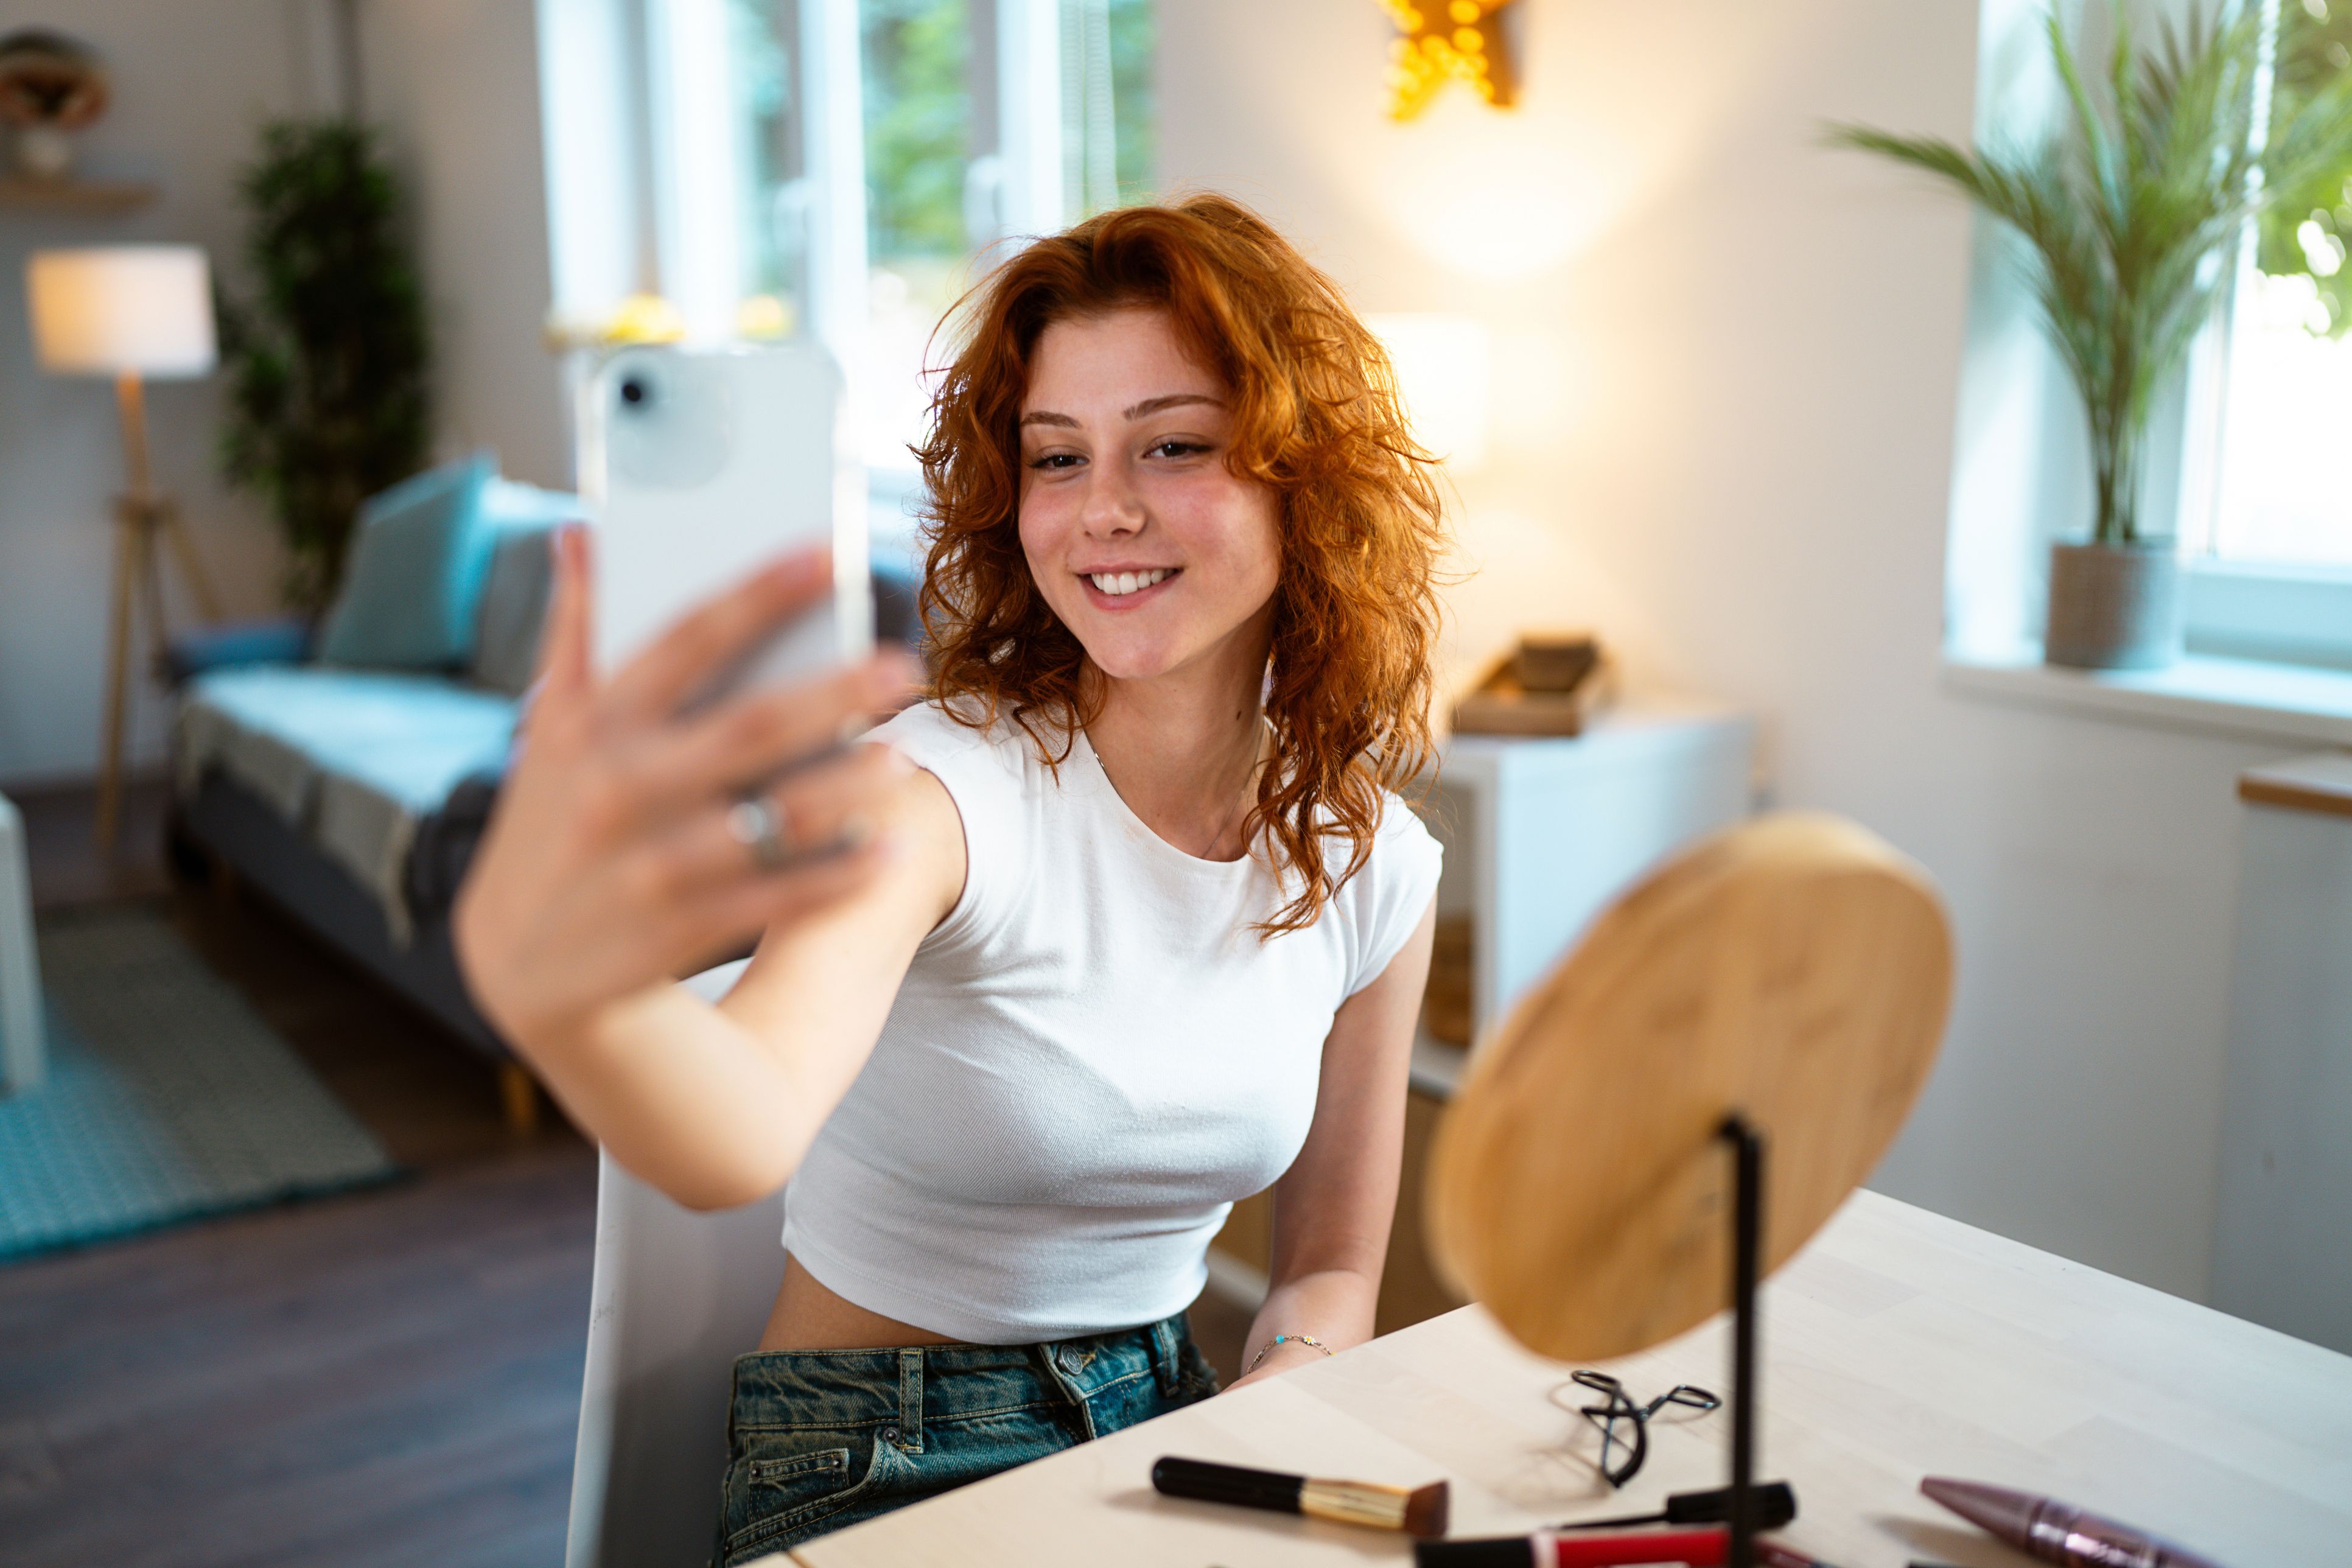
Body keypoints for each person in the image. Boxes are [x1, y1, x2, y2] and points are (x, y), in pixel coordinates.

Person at [453, 194, 1447, 1561]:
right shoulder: (939, 793)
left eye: (1172, 446)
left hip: (1170, 1416)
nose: (1103, 510)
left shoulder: (1370, 860)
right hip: (880, 1448)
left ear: (1305, 476)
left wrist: (1288, 1381)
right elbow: (736, 1124)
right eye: (1057, 457)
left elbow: (1329, 1264)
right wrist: (567, 985)